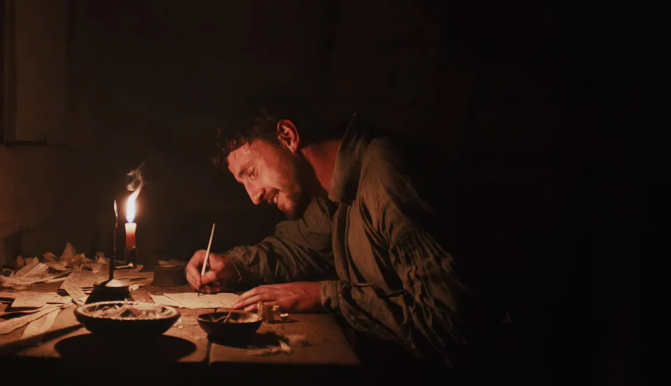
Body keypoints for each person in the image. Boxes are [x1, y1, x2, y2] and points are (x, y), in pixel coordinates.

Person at [185, 97, 486, 367]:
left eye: (252, 173)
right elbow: (298, 247)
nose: (254, 196)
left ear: (287, 136)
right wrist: (234, 265)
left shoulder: (387, 175)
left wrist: (326, 295)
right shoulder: (326, 192)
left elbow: (448, 323)